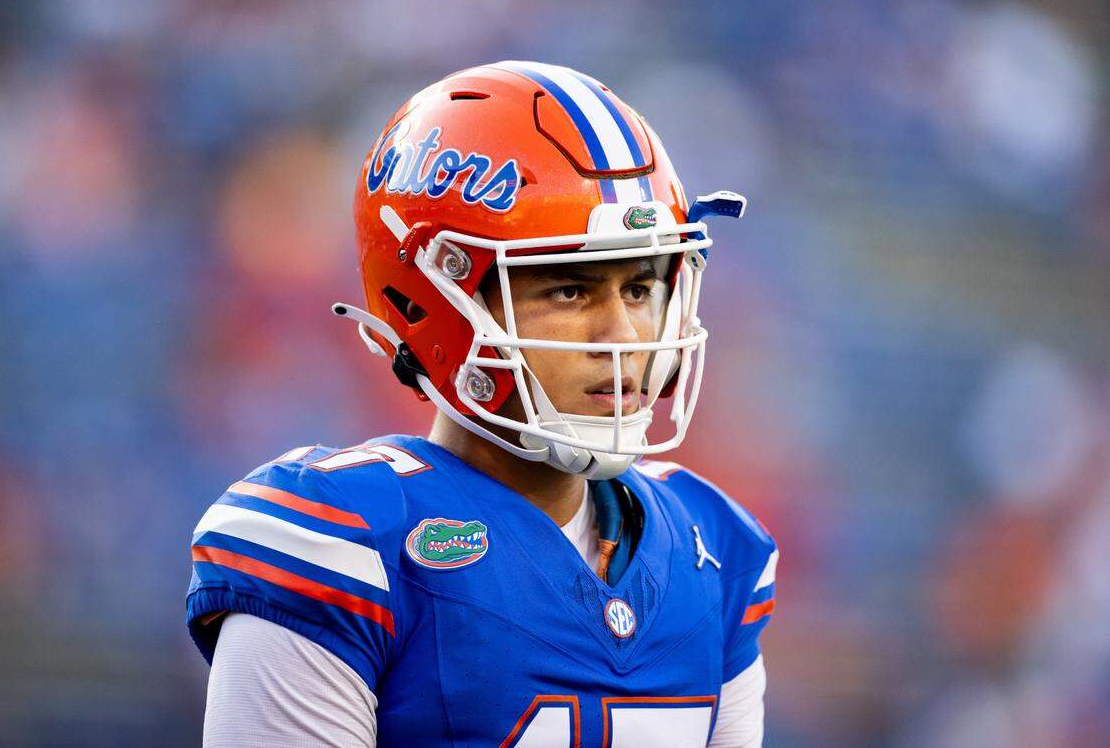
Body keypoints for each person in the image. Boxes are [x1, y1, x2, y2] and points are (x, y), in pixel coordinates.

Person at [186, 61, 777, 747]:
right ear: (436, 302)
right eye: (570, 290)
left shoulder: (711, 550)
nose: (624, 334)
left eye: (641, 288)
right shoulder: (339, 544)